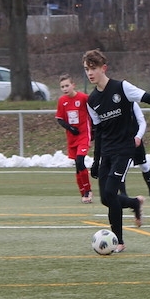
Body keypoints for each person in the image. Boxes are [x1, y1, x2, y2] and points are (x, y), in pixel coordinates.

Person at [83, 49, 150, 251]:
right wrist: (96, 161)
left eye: (93, 68)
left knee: (111, 192)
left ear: (103, 68)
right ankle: (135, 203)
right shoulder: (92, 100)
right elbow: (99, 132)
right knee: (106, 198)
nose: (90, 73)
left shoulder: (122, 87)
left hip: (124, 150)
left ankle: (118, 241)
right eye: (87, 69)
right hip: (107, 152)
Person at [54, 73, 94, 203]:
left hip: (83, 134)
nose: (65, 88)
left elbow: (94, 111)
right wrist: (70, 128)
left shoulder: (83, 98)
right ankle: (82, 192)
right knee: (77, 165)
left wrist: (94, 130)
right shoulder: (62, 101)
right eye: (62, 87)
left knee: (80, 161)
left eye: (67, 85)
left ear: (73, 85)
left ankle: (88, 190)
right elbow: (60, 119)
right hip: (72, 137)